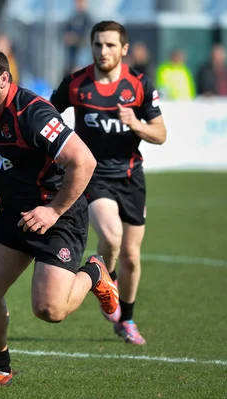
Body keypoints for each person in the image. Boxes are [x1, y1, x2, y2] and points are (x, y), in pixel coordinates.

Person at [0, 46, 119, 387]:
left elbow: (84, 161)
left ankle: (94, 272)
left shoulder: (33, 114)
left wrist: (53, 211)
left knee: (50, 311)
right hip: (13, 212)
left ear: (4, 79)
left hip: (58, 212)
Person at [50, 21, 167, 345]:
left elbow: (161, 134)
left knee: (131, 255)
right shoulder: (76, 83)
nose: (104, 51)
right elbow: (46, 114)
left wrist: (136, 124)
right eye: (98, 45)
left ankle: (126, 319)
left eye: (111, 45)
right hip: (94, 176)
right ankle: (103, 279)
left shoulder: (139, 85)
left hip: (131, 176)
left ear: (124, 49)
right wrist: (60, 149)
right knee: (112, 236)